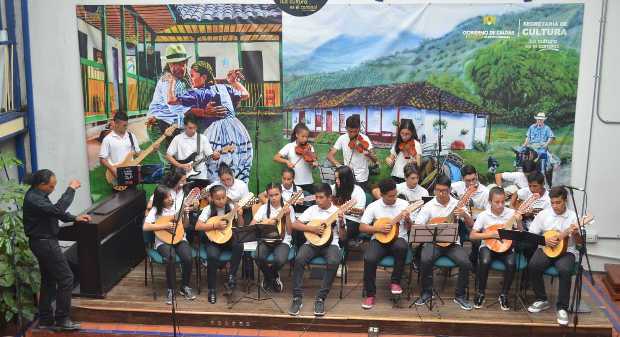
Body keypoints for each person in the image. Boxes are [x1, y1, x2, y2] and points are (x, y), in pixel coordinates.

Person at [23, 170, 91, 330]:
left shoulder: (37, 194)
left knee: (48, 280)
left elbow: (53, 212)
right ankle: (62, 319)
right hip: (45, 243)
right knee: (66, 278)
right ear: (41, 185)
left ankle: (46, 318)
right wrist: (71, 189)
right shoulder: (34, 199)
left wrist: (74, 218)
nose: (53, 189)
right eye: (51, 186)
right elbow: (57, 210)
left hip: (42, 242)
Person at [167, 61, 252, 183]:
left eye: (193, 76)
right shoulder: (225, 87)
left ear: (204, 77)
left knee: (214, 169)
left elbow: (171, 100)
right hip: (238, 131)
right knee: (238, 166)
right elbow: (245, 94)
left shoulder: (199, 93)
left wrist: (172, 80)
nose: (191, 79)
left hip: (216, 133)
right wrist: (233, 82)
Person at [148, 45, 225, 162]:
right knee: (170, 163)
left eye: (181, 64)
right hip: (158, 125)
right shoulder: (167, 80)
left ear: (186, 63)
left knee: (184, 160)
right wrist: (204, 112)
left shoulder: (187, 78)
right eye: (174, 64)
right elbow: (176, 108)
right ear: (169, 65)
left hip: (175, 126)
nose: (178, 67)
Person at [414, 175, 474, 310]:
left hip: (453, 244)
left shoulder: (457, 204)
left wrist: (464, 215)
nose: (441, 194)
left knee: (466, 263)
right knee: (425, 259)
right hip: (433, 243)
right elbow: (418, 226)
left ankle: (460, 296)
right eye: (438, 190)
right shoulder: (428, 206)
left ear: (450, 190)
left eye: (444, 191)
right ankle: (427, 292)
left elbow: (471, 225)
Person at [288, 183, 346, 317]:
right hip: (312, 243)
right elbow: (295, 224)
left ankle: (320, 298)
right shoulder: (312, 209)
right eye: (316, 197)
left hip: (331, 244)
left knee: (333, 261)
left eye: (321, 198)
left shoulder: (337, 212)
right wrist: (311, 229)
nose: (317, 200)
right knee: (299, 259)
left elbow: (343, 237)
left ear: (329, 198)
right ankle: (297, 298)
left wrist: (342, 222)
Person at [527, 186, 580, 326]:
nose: (555, 206)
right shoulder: (544, 214)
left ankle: (562, 307)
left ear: (565, 201)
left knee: (564, 269)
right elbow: (532, 235)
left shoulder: (574, 217)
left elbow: (580, 243)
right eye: (553, 203)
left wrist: (576, 234)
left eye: (559, 202)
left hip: (567, 251)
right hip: (546, 248)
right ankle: (542, 299)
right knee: (533, 265)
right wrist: (544, 240)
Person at [359, 179, 412, 309]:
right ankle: (370, 294)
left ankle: (395, 282)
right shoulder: (374, 206)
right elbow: (362, 227)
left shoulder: (404, 204)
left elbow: (410, 227)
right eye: (390, 196)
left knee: (401, 247)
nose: (394, 198)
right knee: (369, 258)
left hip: (398, 238)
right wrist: (378, 229)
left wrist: (408, 219)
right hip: (379, 240)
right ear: (382, 195)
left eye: (395, 194)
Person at [469, 187, 522, 311]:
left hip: (506, 246)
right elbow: (472, 235)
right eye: (497, 202)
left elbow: (520, 233)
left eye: (503, 202)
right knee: (485, 261)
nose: (500, 205)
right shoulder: (483, 215)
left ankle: (504, 294)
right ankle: (481, 292)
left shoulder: (511, 213)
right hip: (488, 246)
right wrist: (491, 235)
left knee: (511, 263)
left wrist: (519, 222)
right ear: (490, 201)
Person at [143, 185, 196, 305]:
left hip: (180, 238)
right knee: (170, 258)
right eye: (167, 198)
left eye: (171, 196)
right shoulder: (155, 210)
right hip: (163, 241)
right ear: (160, 200)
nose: (170, 199)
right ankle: (171, 289)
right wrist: (164, 226)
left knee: (187, 257)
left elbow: (186, 225)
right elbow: (146, 226)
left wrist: (186, 215)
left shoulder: (178, 206)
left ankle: (184, 286)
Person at [195, 184, 244, 304]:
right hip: (213, 240)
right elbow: (197, 226)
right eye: (218, 198)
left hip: (227, 239)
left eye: (223, 197)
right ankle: (212, 289)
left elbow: (241, 225)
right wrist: (214, 225)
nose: (221, 201)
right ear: (211, 198)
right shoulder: (207, 209)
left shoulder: (231, 206)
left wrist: (240, 214)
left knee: (239, 244)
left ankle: (232, 276)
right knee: (212, 256)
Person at [250, 183, 295, 293]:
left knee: (280, 259)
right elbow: (252, 226)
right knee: (258, 256)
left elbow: (289, 231)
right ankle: (271, 276)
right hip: (266, 240)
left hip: (283, 240)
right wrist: (264, 223)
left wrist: (288, 215)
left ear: (281, 193)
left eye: (276, 194)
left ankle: (270, 275)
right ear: (267, 196)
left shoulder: (289, 208)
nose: (274, 198)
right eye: (271, 195)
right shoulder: (263, 208)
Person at [327, 115, 377, 192]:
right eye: (350, 131)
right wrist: (340, 166)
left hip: (361, 178)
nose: (353, 134)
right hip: (346, 176)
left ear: (359, 129)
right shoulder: (342, 138)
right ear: (346, 128)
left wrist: (369, 154)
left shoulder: (365, 139)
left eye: (355, 131)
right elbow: (330, 155)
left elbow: (375, 159)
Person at [165, 114, 220, 184]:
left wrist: (216, 156)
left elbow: (211, 155)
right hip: (182, 176)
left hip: (200, 176)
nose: (193, 130)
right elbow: (168, 156)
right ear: (185, 126)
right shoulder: (177, 139)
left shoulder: (202, 138)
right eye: (190, 128)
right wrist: (180, 165)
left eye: (195, 128)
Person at [274, 122, 318, 193]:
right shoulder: (289, 146)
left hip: (309, 182)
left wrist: (314, 164)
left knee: (309, 202)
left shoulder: (310, 147)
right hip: (294, 183)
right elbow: (276, 157)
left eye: (306, 137)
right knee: (296, 203)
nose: (305, 139)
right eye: (303, 136)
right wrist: (287, 161)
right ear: (297, 135)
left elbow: (312, 164)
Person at [98, 112, 142, 182]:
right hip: (116, 175)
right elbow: (102, 159)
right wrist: (113, 169)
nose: (126, 127)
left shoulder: (131, 136)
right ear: (116, 124)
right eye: (124, 125)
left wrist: (152, 150)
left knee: (135, 192)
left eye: (127, 125)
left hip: (131, 173)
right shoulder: (107, 139)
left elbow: (138, 153)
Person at [332, 165, 366, 248]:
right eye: (335, 178)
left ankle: (341, 252)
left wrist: (345, 211)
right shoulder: (334, 188)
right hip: (335, 217)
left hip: (352, 220)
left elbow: (359, 213)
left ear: (345, 179)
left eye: (338, 179)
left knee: (338, 235)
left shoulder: (358, 191)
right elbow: (325, 195)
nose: (336, 181)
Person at [385, 119, 422, 183]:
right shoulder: (397, 143)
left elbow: (418, 164)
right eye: (402, 133)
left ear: (412, 133)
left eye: (407, 134)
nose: (404, 137)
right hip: (395, 175)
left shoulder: (416, 144)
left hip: (408, 178)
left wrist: (413, 161)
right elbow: (391, 158)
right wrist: (388, 160)